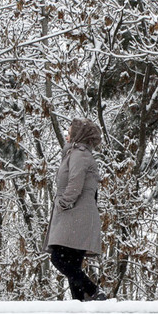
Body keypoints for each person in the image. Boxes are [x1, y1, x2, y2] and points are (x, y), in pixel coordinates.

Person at [43, 118, 107, 301]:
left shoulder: (79, 154)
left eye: (70, 131)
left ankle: (93, 290)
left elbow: (75, 185)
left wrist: (62, 204)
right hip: (79, 215)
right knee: (73, 267)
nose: (66, 134)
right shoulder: (78, 154)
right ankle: (80, 310)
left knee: (58, 258)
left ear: (78, 135)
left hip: (74, 215)